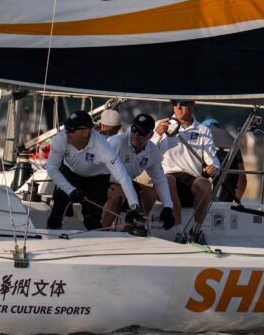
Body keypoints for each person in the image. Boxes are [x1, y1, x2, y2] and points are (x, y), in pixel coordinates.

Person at [46, 110, 140, 230]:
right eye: (66, 128)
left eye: (71, 130)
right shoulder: (61, 139)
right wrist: (70, 190)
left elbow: (122, 176)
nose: (66, 133)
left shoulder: (102, 146)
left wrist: (134, 206)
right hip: (69, 174)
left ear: (85, 132)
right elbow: (52, 168)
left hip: (96, 180)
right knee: (55, 217)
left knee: (92, 221)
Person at [151, 99, 220, 242]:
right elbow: (147, 151)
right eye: (174, 103)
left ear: (192, 105)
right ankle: (179, 232)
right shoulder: (160, 125)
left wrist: (213, 167)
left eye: (182, 103)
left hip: (191, 180)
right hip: (167, 178)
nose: (178, 107)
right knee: (168, 180)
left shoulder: (203, 130)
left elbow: (212, 159)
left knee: (205, 184)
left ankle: (196, 230)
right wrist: (157, 134)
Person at [102, 113, 175, 231]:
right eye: (134, 129)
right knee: (121, 193)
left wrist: (168, 207)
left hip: (126, 183)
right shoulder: (117, 142)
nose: (136, 134)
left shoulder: (153, 151)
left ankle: (132, 227)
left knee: (150, 193)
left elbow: (160, 180)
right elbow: (99, 170)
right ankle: (102, 230)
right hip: (103, 180)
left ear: (150, 135)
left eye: (142, 132)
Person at [202, 118, 246, 202]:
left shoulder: (203, 134)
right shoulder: (230, 138)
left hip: (210, 159)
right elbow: (243, 178)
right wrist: (237, 201)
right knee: (226, 192)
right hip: (230, 159)